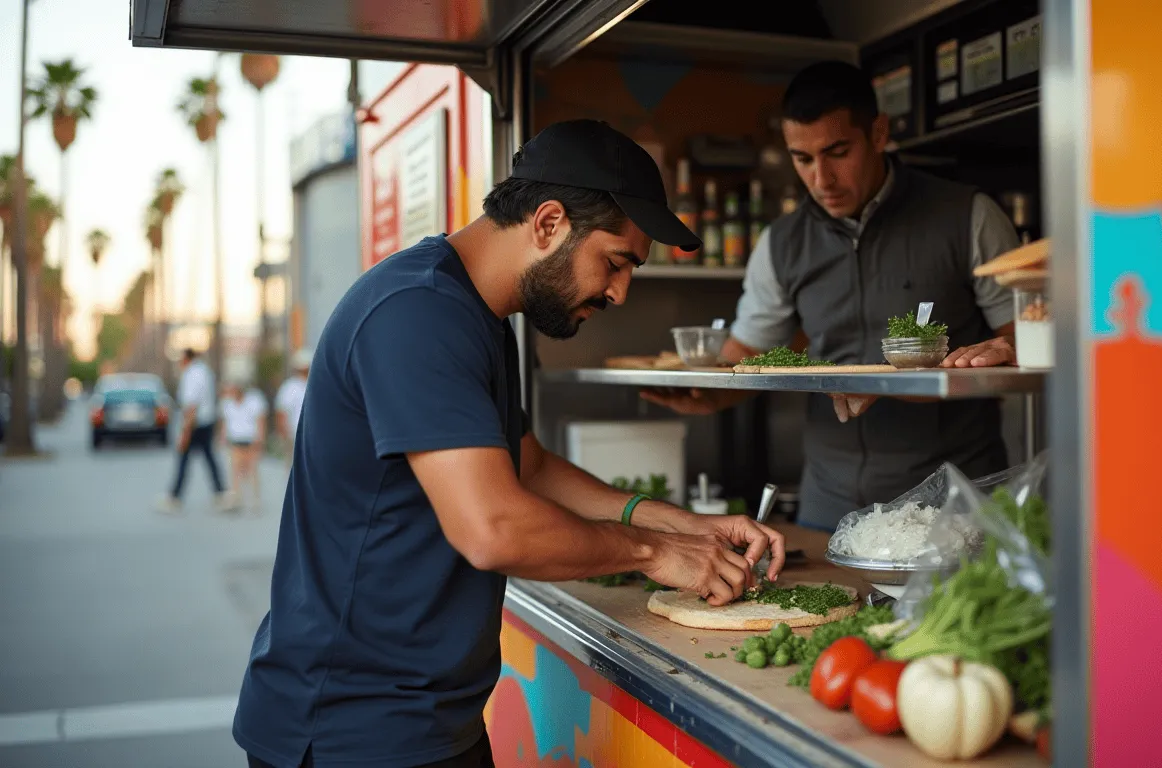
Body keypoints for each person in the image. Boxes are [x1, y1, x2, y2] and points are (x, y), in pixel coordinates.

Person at [234, 119, 787, 768]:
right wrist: (655, 552)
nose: (619, 291)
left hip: (431, 720)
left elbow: (529, 467)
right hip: (351, 729)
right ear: (548, 223)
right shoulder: (418, 312)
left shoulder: (480, 318)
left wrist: (680, 524)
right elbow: (492, 528)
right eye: (616, 263)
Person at [641, 61, 1021, 531]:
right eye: (802, 159)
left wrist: (1003, 350)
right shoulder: (781, 244)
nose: (822, 179)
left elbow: (1027, 343)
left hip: (956, 504)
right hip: (831, 507)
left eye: (837, 152)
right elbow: (747, 356)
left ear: (878, 133)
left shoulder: (969, 218)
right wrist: (706, 395)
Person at [158, 349, 231, 514]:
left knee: (185, 459)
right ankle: (220, 492)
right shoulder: (204, 371)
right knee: (208, 457)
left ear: (186, 358)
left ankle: (175, 496)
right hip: (206, 421)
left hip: (195, 423)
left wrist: (185, 431)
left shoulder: (192, 374)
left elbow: (192, 405)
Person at [220, 379, 269, 514]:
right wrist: (223, 438)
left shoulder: (254, 400)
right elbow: (225, 422)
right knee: (235, 471)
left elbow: (260, 420)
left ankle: (254, 500)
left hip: (251, 440)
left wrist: (260, 439)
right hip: (235, 440)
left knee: (251, 471)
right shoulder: (227, 403)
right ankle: (237, 499)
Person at [274, 348, 310, 469]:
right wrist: (284, 433)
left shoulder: (289, 387)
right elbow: (282, 412)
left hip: (305, 434)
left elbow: (281, 412)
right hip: (295, 434)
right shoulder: (291, 386)